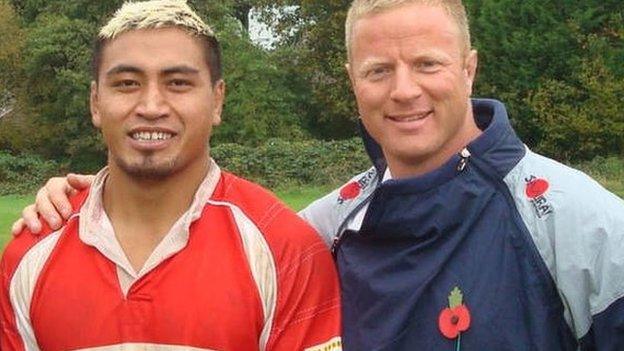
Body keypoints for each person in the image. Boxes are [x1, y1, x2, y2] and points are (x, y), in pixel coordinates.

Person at [12, 0, 624, 350]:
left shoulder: (580, 220)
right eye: (378, 70)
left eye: (427, 64)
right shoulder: (326, 225)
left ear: (468, 70)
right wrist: (79, 199)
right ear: (353, 81)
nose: (404, 89)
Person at [0, 1, 342, 350]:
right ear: (95, 103)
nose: (151, 106)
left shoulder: (287, 250)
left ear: (217, 100)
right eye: (127, 83)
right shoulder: (31, 252)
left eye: (178, 83)